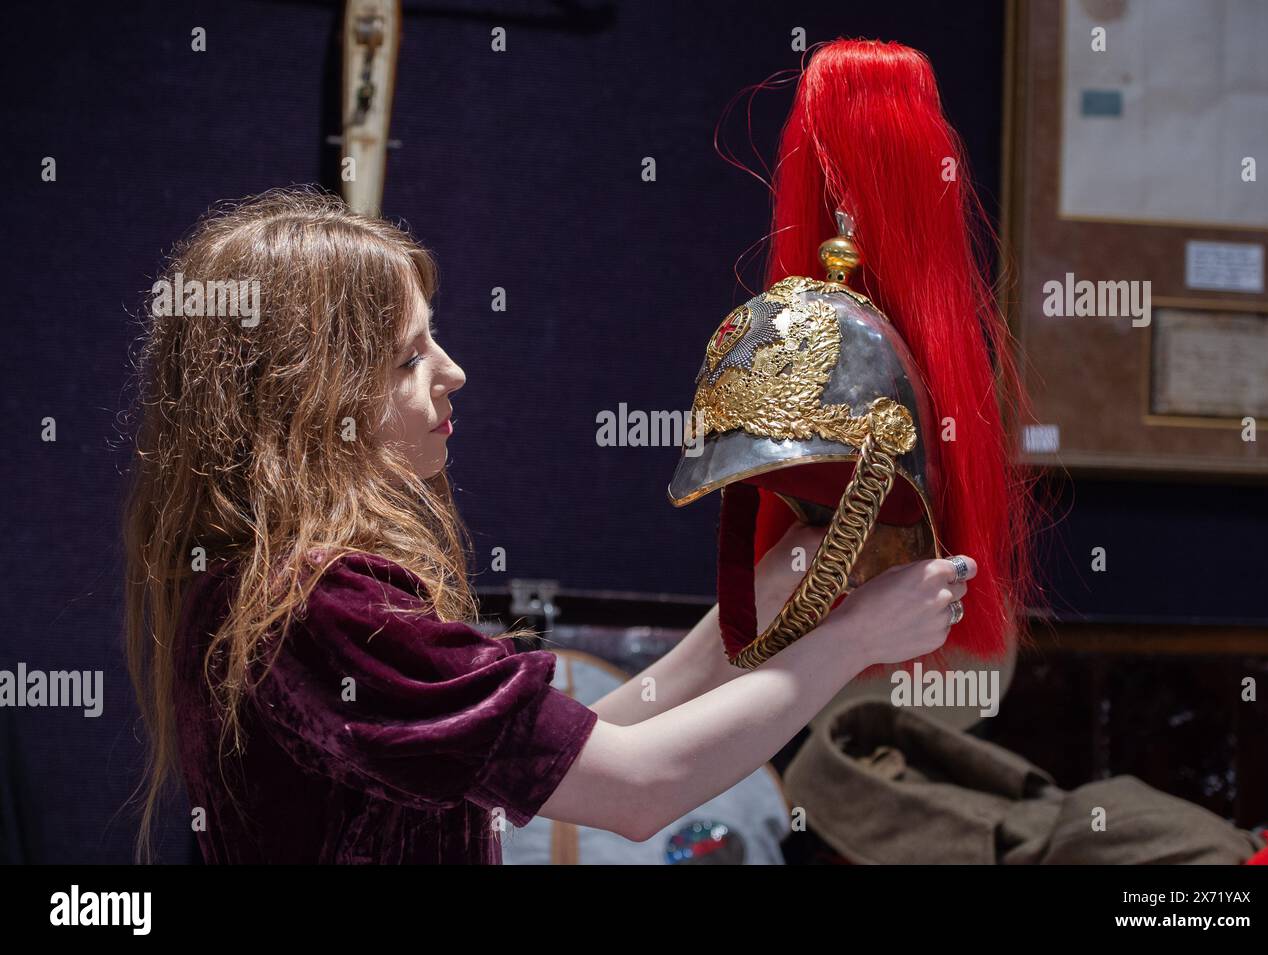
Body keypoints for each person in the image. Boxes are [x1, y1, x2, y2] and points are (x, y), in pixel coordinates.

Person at [122, 187, 974, 864]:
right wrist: (855, 638)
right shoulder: (321, 603)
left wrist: (763, 597)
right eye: (408, 357)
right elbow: (638, 789)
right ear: (308, 395)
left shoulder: (265, 581)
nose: (453, 371)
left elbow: (591, 740)